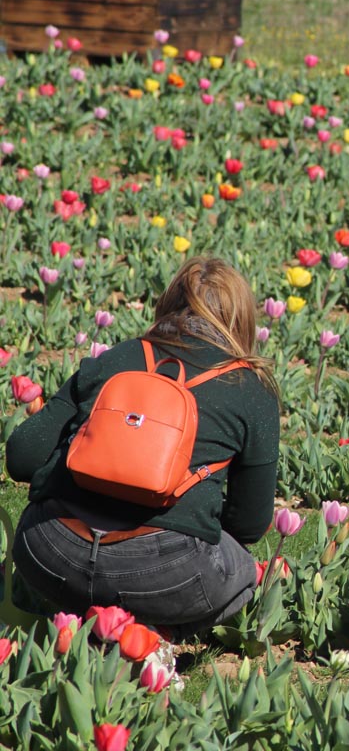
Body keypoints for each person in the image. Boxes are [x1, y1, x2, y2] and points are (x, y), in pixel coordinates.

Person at [6, 257, 280, 639]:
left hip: (52, 551)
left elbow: (23, 455)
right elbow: (250, 523)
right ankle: (151, 637)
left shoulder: (117, 359)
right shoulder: (251, 390)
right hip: (167, 573)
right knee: (244, 573)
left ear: (168, 304)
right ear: (242, 320)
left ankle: (87, 627)